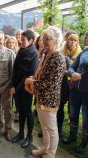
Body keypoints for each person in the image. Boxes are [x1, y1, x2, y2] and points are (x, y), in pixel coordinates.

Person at [25, 26, 66, 158]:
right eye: (44, 38)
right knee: (44, 127)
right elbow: (42, 75)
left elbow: (50, 84)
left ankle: (50, 154)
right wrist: (34, 78)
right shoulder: (47, 54)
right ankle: (45, 149)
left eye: (48, 39)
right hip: (41, 96)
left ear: (56, 40)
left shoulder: (58, 58)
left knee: (52, 130)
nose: (44, 41)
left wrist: (32, 82)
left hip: (49, 100)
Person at [11, 30, 39, 148]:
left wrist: (16, 88)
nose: (21, 41)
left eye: (23, 40)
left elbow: (30, 74)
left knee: (28, 112)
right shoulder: (21, 51)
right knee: (20, 111)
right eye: (20, 39)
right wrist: (12, 85)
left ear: (31, 40)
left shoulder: (34, 53)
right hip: (16, 88)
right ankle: (21, 133)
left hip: (26, 89)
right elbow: (15, 69)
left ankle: (29, 136)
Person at [63, 32, 88, 154]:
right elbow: (71, 67)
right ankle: (72, 136)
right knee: (73, 114)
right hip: (75, 90)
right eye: (86, 38)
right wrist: (72, 74)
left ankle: (84, 143)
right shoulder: (83, 52)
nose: (86, 40)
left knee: (86, 119)